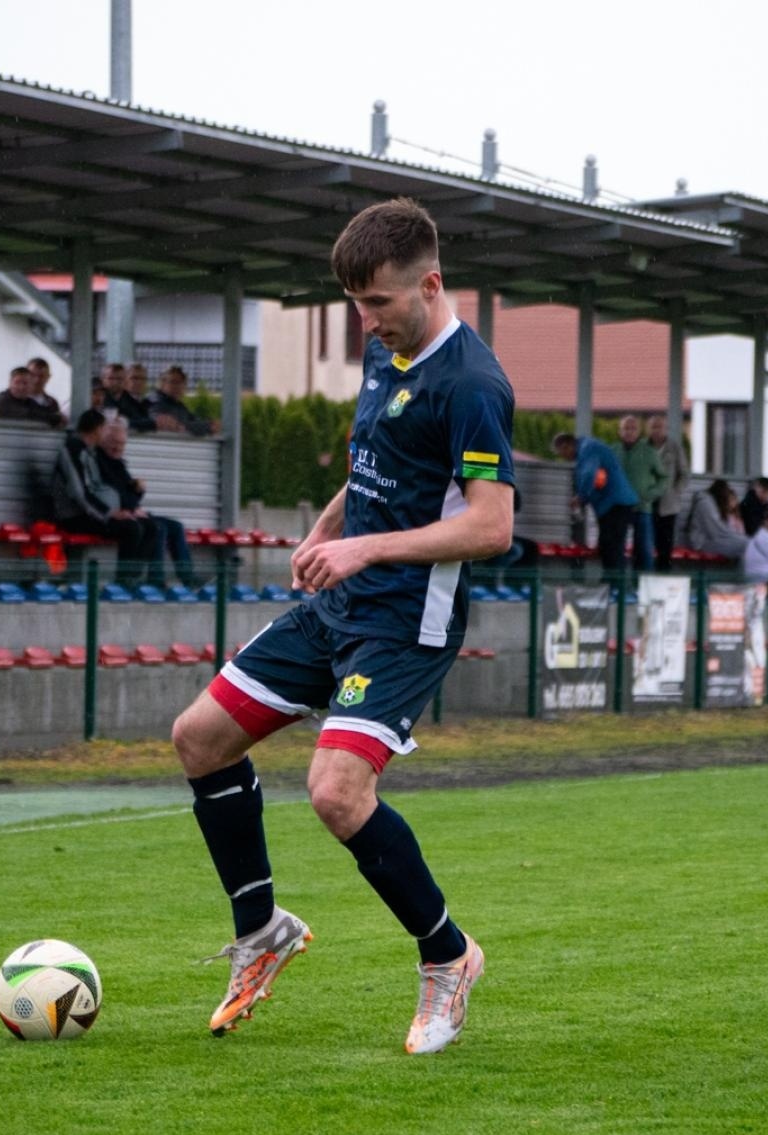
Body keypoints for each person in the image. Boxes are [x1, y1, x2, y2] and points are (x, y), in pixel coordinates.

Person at [168, 198, 513, 1054]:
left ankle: (448, 957)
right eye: (357, 304)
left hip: (405, 622)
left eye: (379, 303)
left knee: (336, 792)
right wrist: (330, 525)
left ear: (430, 285)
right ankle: (262, 931)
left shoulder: (473, 385)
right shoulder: (385, 348)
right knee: (200, 737)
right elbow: (378, 459)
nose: (366, 320)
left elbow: (491, 526)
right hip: (340, 603)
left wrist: (365, 549)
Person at [51, 408, 158, 587]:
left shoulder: (89, 451)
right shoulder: (73, 450)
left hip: (94, 514)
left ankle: (133, 578)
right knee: (131, 529)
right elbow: (80, 494)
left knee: (150, 526)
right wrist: (109, 513)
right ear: (97, 429)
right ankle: (123, 582)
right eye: (105, 429)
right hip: (75, 517)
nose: (106, 434)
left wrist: (123, 509)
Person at [95, 419, 198, 589]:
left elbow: (129, 495)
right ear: (104, 441)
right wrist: (133, 505)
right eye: (114, 442)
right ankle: (155, 580)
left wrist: (137, 492)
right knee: (157, 527)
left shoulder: (118, 464)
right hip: (117, 515)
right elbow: (114, 494)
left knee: (176, 527)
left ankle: (188, 579)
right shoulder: (101, 462)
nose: (118, 447)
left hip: (130, 512)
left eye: (122, 444)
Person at [552, 431, 637, 575]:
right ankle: (612, 581)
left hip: (615, 504)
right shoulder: (586, 449)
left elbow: (589, 474)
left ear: (567, 446)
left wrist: (581, 497)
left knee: (612, 546)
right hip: (611, 505)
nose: (564, 458)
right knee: (608, 545)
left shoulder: (588, 449)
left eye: (562, 453)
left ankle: (615, 583)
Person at [616, 415, 667, 571]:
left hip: (642, 507)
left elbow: (664, 477)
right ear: (620, 431)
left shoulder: (649, 452)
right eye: (626, 428)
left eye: (633, 428)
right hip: (618, 508)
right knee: (617, 549)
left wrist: (650, 494)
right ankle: (617, 583)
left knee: (644, 550)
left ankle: (643, 583)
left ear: (639, 432)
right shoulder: (613, 451)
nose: (629, 432)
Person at [647, 414, 689, 572]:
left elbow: (684, 473)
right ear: (648, 429)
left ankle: (664, 573)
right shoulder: (643, 447)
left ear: (665, 429)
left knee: (665, 544)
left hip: (668, 504)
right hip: (647, 501)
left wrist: (676, 491)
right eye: (653, 427)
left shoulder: (674, 447)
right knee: (646, 541)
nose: (656, 430)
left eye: (660, 427)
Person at [683, 478, 748, 560]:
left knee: (746, 544)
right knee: (746, 544)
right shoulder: (705, 503)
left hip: (710, 540)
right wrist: (740, 538)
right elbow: (717, 531)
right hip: (701, 544)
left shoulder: (711, 502)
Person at [151, 365, 220, 436]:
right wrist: (208, 426)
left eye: (181, 383)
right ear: (162, 384)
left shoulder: (179, 406)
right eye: (173, 382)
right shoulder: (156, 403)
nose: (177, 386)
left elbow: (193, 420)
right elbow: (176, 426)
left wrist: (210, 424)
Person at [0, 365, 66, 428]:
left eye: (25, 383)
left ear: (31, 385)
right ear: (10, 383)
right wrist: (55, 418)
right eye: (17, 382)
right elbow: (28, 414)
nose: (21, 387)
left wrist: (59, 417)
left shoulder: (29, 402)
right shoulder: (3, 399)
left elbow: (41, 411)